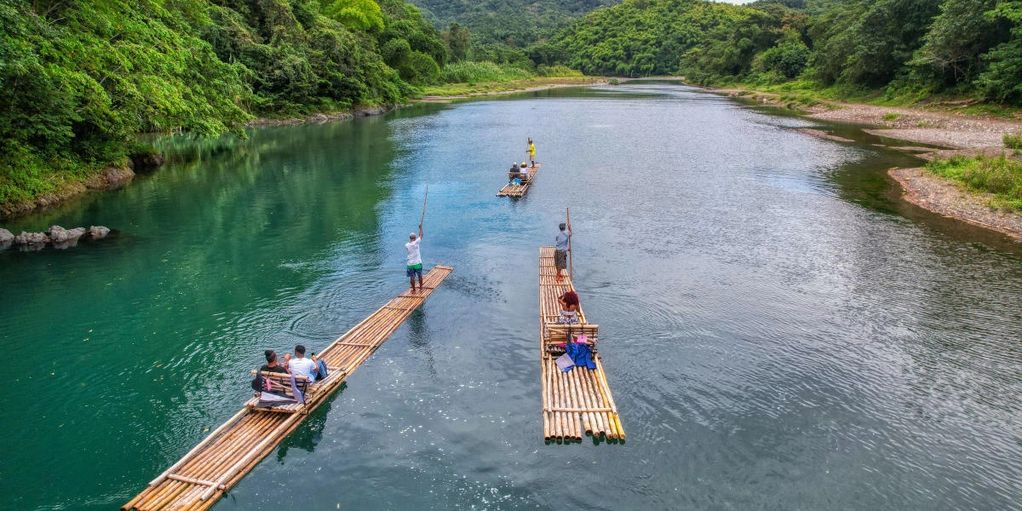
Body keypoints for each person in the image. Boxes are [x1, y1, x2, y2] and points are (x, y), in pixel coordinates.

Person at [406, 224, 424, 292]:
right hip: (417, 263)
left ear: (409, 238)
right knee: (420, 276)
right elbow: (421, 235)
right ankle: (421, 288)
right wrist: (421, 228)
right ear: (415, 238)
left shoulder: (407, 245)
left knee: (412, 277)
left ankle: (413, 290)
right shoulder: (416, 243)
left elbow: (418, 237)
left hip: (410, 264)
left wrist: (419, 231)